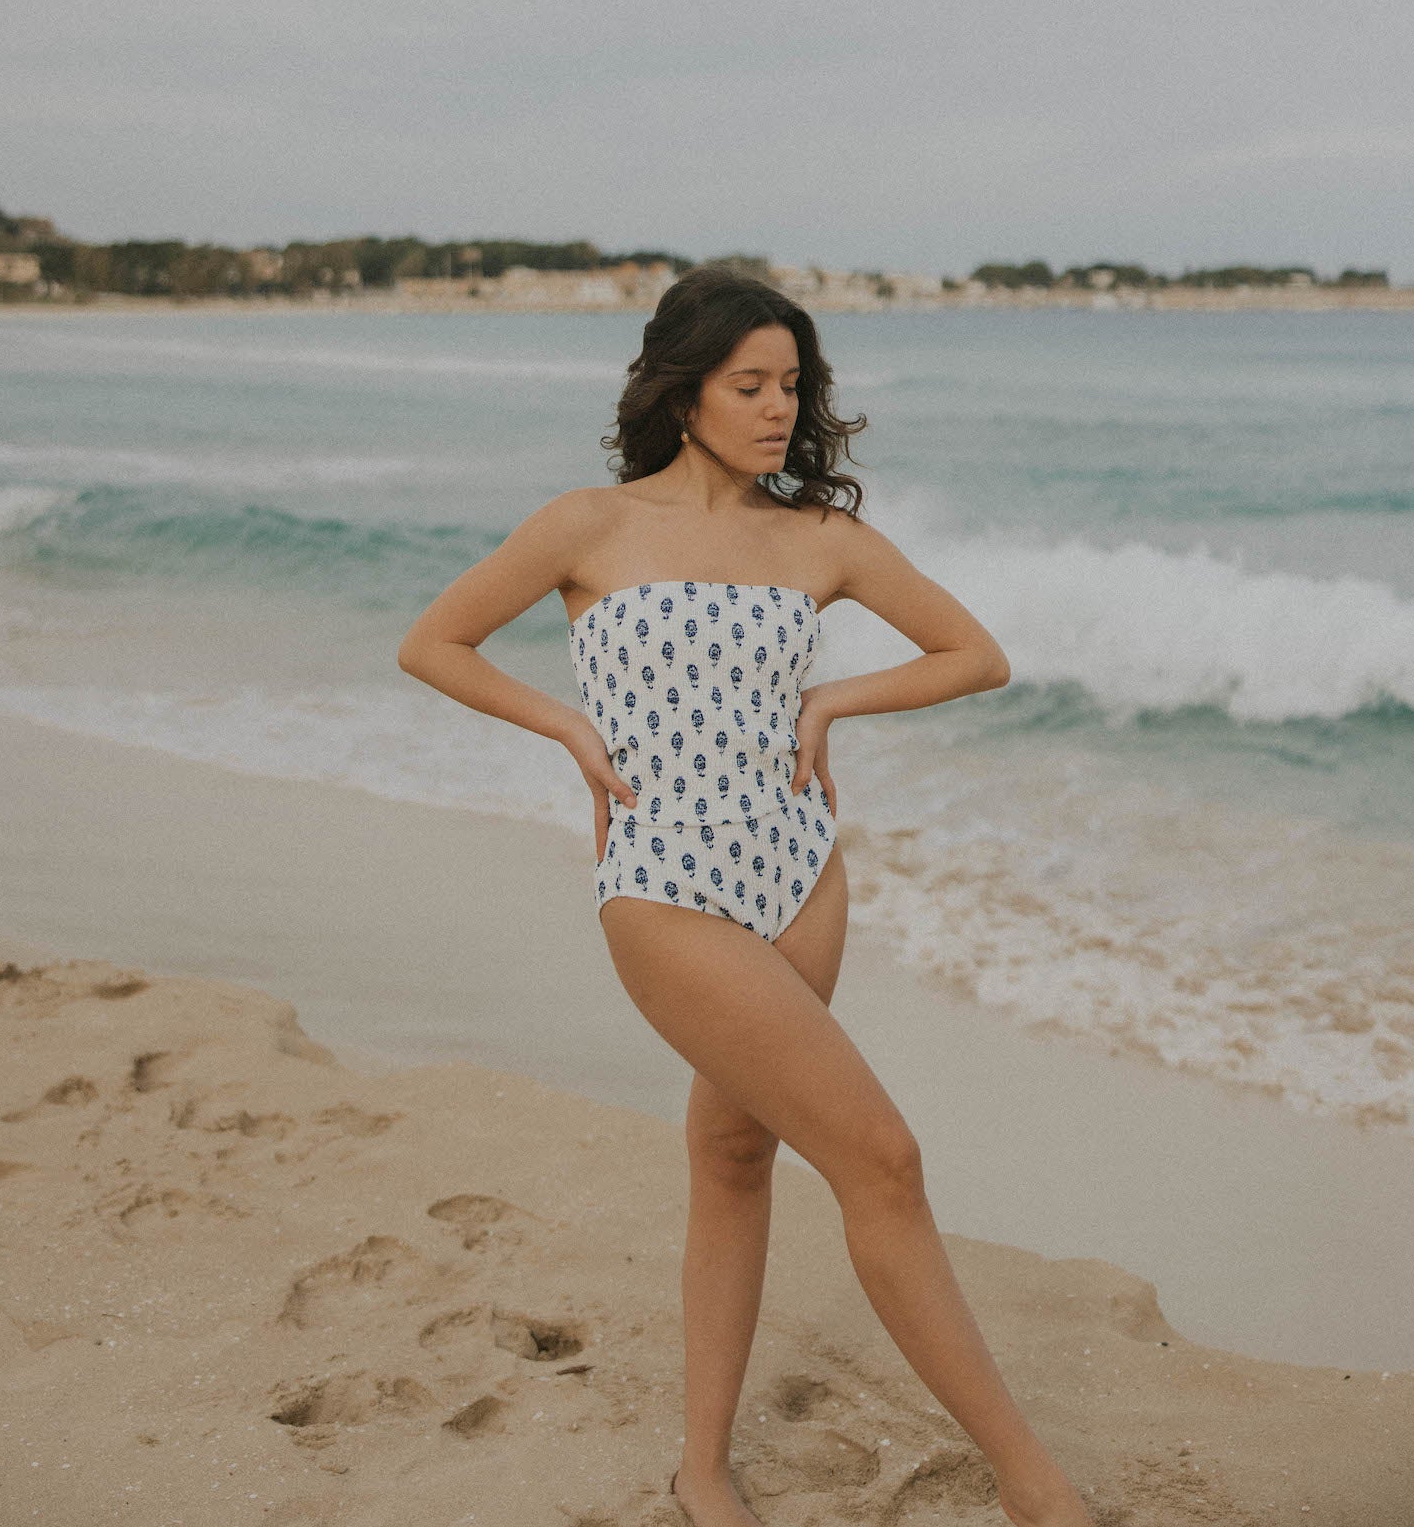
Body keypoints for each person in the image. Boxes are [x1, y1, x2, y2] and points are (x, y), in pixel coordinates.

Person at [398, 266, 1095, 1527]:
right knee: (883, 1156)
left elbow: (976, 655)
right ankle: (1035, 1484)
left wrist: (832, 698)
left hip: (799, 864)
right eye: (751, 384)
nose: (780, 408)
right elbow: (432, 642)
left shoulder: (817, 537)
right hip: (662, 876)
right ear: (686, 387)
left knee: (733, 1152)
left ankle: (702, 1469)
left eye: (793, 385)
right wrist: (566, 727)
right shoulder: (587, 526)